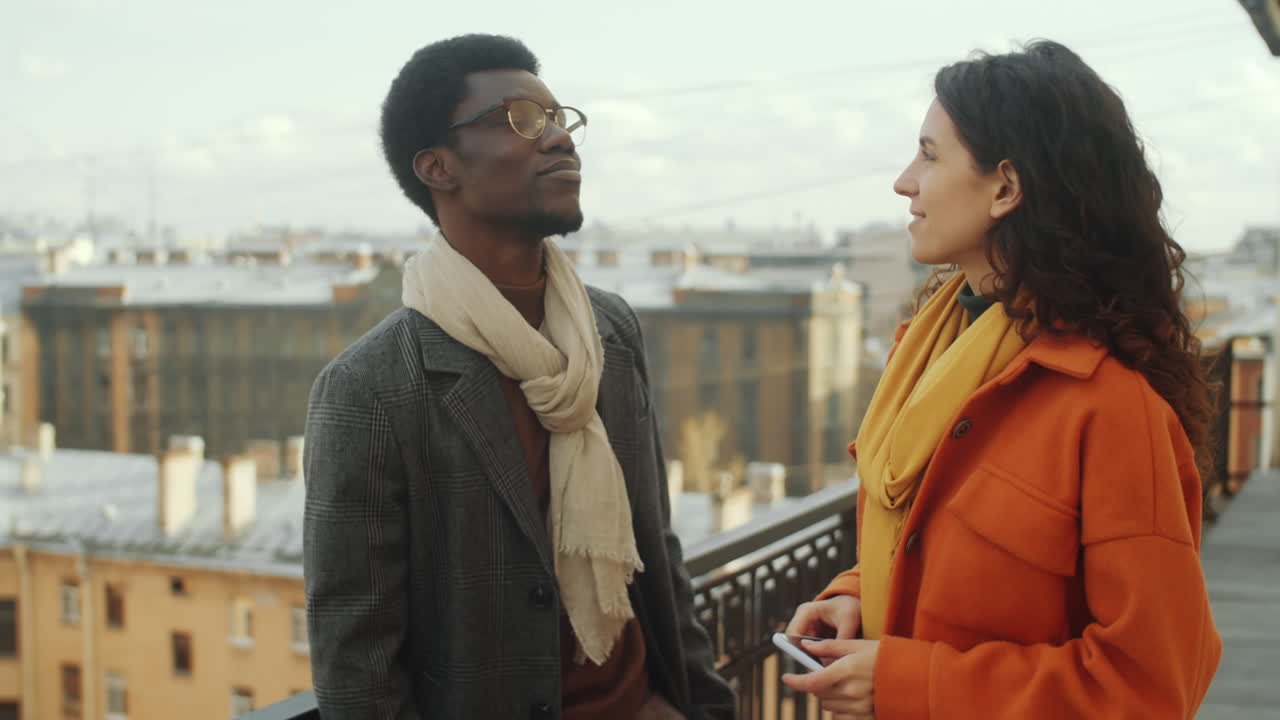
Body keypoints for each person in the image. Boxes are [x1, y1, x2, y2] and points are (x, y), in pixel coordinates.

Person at [781, 40, 1222, 719]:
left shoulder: (1109, 408)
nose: (904, 182)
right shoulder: (930, 352)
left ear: (1006, 189)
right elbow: (932, 550)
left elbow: (1152, 686)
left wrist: (907, 682)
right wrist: (854, 595)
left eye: (929, 156)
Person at [302, 34, 734, 720]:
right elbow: (359, 671)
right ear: (438, 167)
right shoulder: (372, 387)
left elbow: (656, 545)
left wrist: (703, 706)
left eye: (560, 118)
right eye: (522, 121)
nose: (560, 139)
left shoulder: (611, 333)